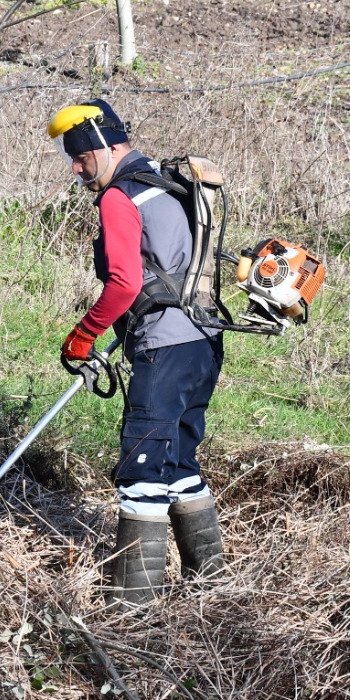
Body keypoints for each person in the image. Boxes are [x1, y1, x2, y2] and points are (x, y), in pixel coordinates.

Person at [47, 99, 226, 608]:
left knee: (143, 470)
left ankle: (134, 610)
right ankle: (210, 587)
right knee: (180, 461)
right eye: (71, 159)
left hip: (163, 350)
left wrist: (83, 336)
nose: (77, 169)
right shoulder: (166, 182)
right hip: (203, 344)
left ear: (104, 147)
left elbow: (124, 283)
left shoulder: (119, 198)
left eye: (80, 158)